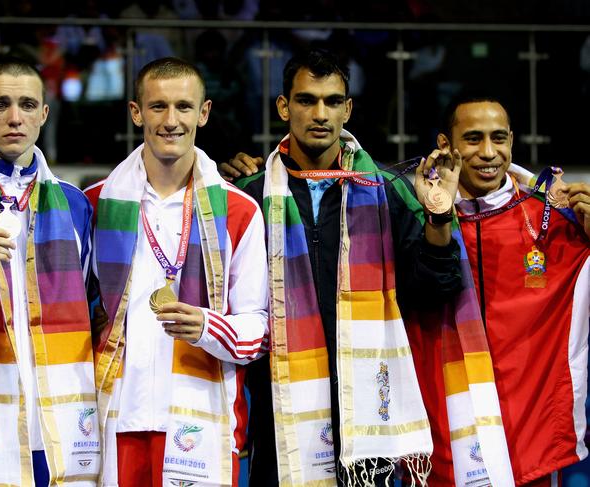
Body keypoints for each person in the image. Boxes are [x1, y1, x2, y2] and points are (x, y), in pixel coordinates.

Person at [230, 48, 464, 486]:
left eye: (333, 101)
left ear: (348, 109)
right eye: (306, 100)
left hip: (366, 413)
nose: (320, 113)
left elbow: (434, 289)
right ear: (284, 107)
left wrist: (437, 218)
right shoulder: (249, 196)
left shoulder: (387, 190)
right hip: (279, 409)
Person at [84, 57, 268, 487]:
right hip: (114, 419)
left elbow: (260, 331)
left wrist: (206, 326)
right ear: (136, 112)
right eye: (158, 107)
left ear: (203, 113)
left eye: (184, 107)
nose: (171, 121)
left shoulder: (239, 212)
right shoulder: (94, 205)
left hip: (197, 421)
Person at [407, 96, 590, 486]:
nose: (489, 153)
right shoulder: (413, 218)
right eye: (473, 139)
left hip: (531, 445)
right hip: (443, 438)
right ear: (445, 144)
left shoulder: (557, 221)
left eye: (499, 138)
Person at [0, 58, 100, 486]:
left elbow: (94, 309)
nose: (15, 118)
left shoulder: (75, 204)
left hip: (61, 420)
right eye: (0, 104)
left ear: (44, 114)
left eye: (27, 104)